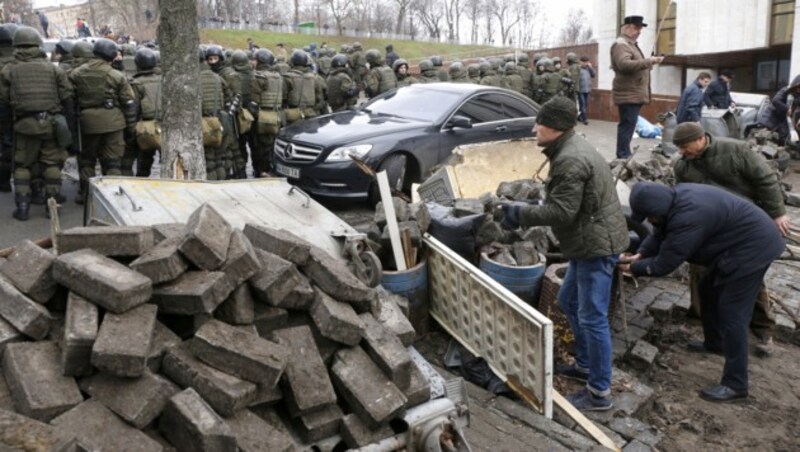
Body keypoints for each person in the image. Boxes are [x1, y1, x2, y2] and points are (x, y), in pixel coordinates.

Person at [501, 97, 629, 411]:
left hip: (595, 247)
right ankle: (584, 363)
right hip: (590, 239)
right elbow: (565, 203)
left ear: (555, 127)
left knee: (593, 317)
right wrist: (529, 207)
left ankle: (599, 392)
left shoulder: (570, 159)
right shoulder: (571, 149)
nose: (534, 128)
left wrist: (519, 213)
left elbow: (562, 213)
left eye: (539, 123)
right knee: (567, 301)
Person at [621, 182, 785, 402]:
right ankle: (714, 343)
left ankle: (736, 385)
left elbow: (665, 264)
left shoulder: (688, 217)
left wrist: (632, 268)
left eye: (650, 216)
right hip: (734, 244)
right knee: (706, 289)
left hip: (753, 248)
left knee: (733, 313)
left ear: (659, 209)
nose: (649, 220)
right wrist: (640, 254)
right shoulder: (672, 202)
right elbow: (659, 234)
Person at [670, 121, 788, 357]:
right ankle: (710, 330)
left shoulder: (734, 151)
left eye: (685, 146)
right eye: (679, 148)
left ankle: (763, 329)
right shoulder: (683, 166)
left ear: (701, 138)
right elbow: (684, 196)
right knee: (700, 273)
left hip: (743, 225)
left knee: (748, 276)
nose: (683, 152)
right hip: (709, 226)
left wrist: (777, 213)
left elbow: (764, 178)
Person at [0, 26, 75, 220]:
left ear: (16, 45)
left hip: (23, 126)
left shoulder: (9, 70)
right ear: (38, 44)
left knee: (23, 166)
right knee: (51, 163)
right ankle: (53, 207)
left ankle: (23, 208)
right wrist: (69, 127)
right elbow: (67, 98)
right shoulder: (53, 69)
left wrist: (8, 131)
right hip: (51, 124)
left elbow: (4, 103)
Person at [70, 38, 137, 202]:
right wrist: (130, 128)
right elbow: (129, 102)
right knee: (113, 162)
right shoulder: (116, 76)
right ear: (113, 56)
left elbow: (69, 100)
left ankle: (86, 195)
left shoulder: (76, 73)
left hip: (87, 124)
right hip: (113, 123)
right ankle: (112, 197)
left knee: (87, 161)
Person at [611, 15, 664, 159]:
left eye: (640, 28)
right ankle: (623, 155)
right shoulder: (621, 44)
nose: (639, 31)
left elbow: (635, 66)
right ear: (626, 27)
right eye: (636, 27)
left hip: (632, 93)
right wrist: (649, 61)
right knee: (627, 125)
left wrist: (650, 63)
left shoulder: (630, 44)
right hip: (629, 93)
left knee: (629, 125)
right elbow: (624, 65)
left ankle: (624, 154)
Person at [755, 75, 800, 145]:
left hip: (783, 119)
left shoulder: (797, 95)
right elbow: (775, 100)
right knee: (765, 137)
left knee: (784, 136)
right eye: (798, 87)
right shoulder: (785, 90)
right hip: (771, 117)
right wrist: (787, 109)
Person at [578, 56, 595, 125]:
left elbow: (593, 75)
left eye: (586, 62)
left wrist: (590, 67)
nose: (585, 63)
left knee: (586, 105)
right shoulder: (578, 69)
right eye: (584, 62)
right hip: (580, 90)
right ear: (581, 62)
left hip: (587, 90)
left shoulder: (588, 69)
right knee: (583, 105)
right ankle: (585, 119)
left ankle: (580, 117)